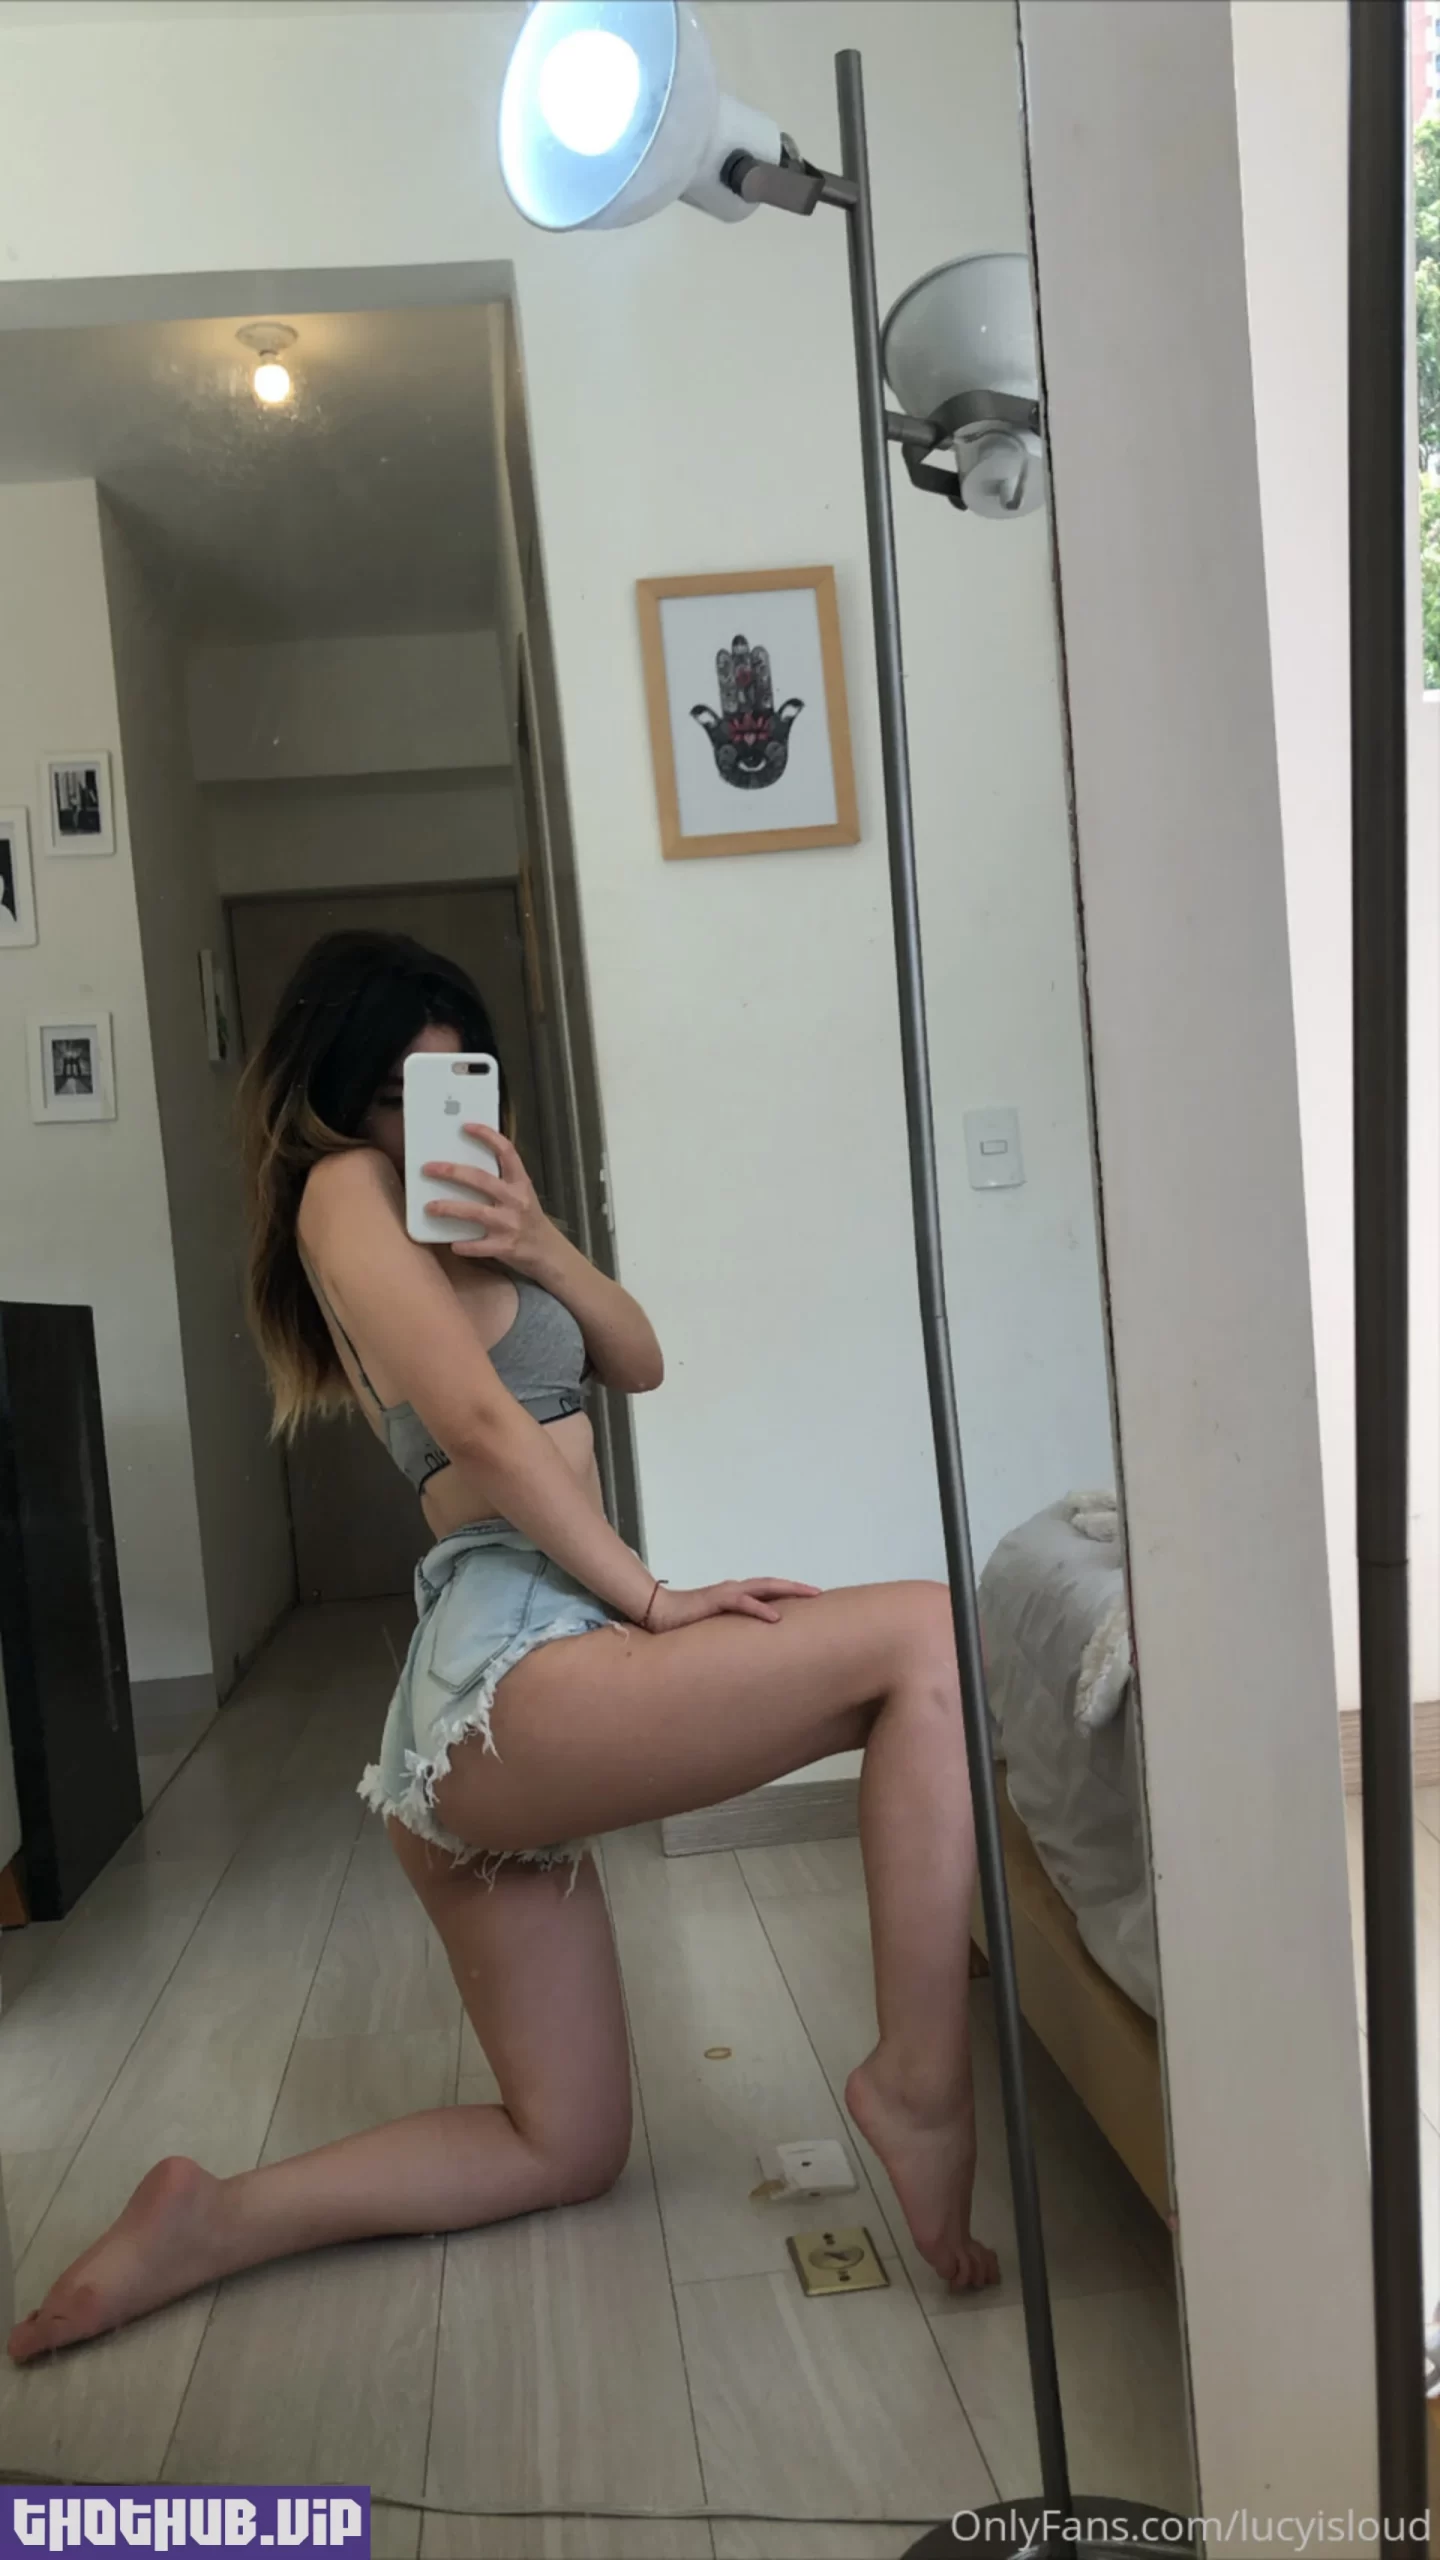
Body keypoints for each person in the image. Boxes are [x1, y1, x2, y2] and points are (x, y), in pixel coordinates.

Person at [7, 930, 997, 2363]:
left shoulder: (469, 1225)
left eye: (457, 1082)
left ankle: (211, 2218)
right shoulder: (342, 1193)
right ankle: (918, 2084)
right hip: (513, 1660)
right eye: (397, 1094)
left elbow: (638, 1357)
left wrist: (534, 1240)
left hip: (505, 1701)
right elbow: (478, 1425)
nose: (428, 1122)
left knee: (564, 2143)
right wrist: (654, 1600)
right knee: (927, 1639)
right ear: (337, 1099)